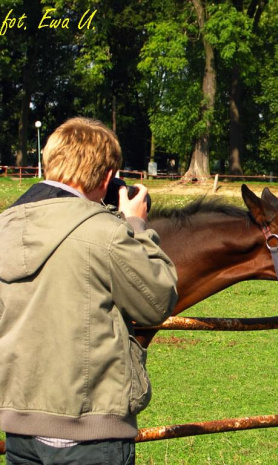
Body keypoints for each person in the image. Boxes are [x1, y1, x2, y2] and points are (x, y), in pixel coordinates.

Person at [0, 117, 178, 464]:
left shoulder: (5, 226)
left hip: (19, 425)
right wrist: (137, 225)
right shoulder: (105, 233)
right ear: (108, 178)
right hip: (90, 430)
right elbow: (157, 300)